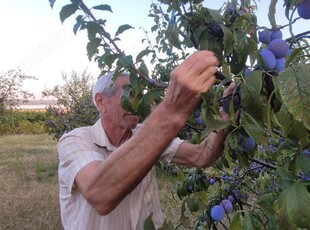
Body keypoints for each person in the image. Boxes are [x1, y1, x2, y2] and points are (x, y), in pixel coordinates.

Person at [57, 51, 236, 229]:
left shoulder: (145, 134)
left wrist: (229, 112)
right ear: (101, 102)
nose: (138, 103)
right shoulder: (75, 141)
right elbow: (100, 194)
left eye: (140, 95)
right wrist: (172, 111)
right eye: (130, 94)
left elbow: (201, 155)